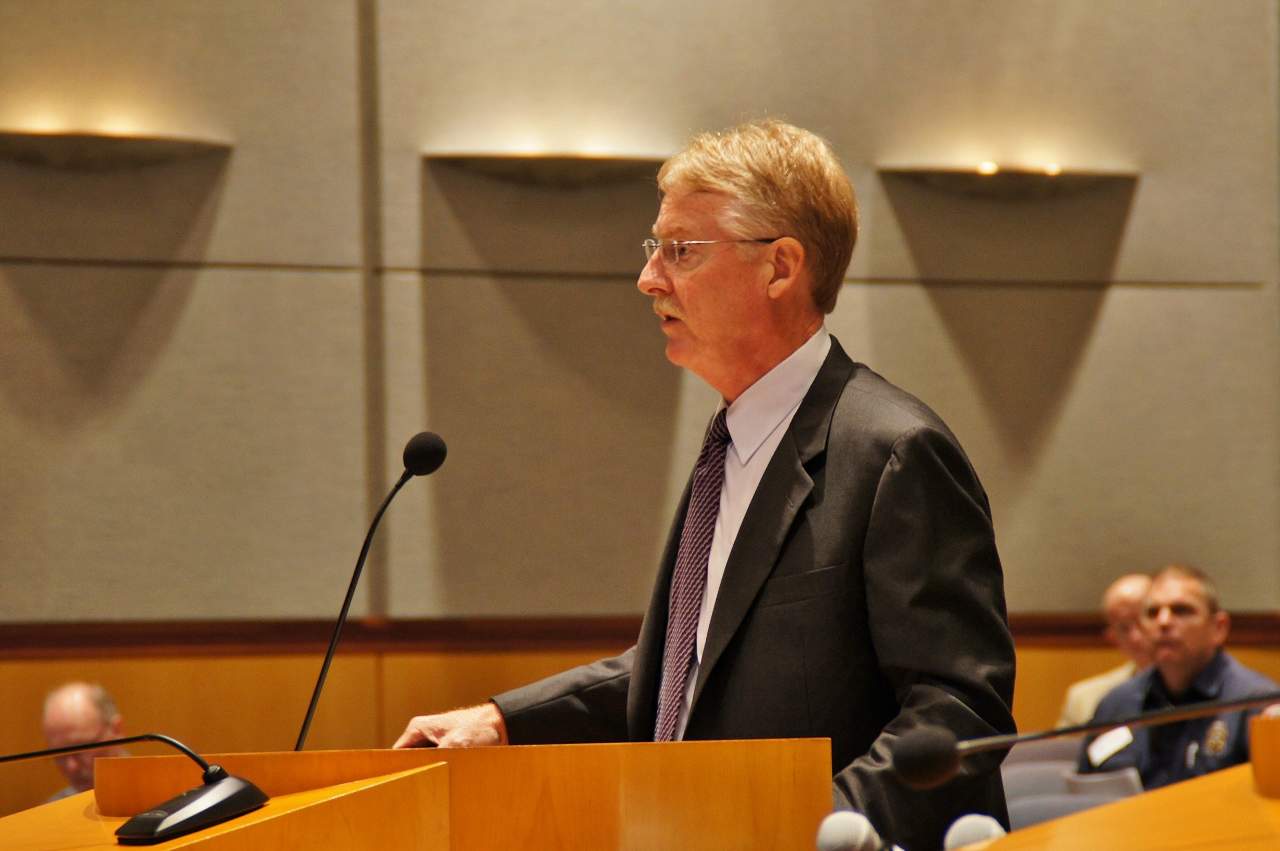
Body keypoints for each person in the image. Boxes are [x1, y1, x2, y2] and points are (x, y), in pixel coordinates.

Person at [395, 119, 1016, 850]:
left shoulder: (894, 451)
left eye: (681, 250)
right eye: (654, 248)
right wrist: (502, 721)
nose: (649, 278)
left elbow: (959, 711)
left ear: (780, 267)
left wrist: (799, 826)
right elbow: (685, 668)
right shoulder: (730, 443)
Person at [1078, 564, 1277, 789]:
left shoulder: (1256, 703)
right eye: (1152, 613)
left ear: (1218, 628)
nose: (1163, 622)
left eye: (1181, 610)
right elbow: (1083, 792)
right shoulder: (1116, 703)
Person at [1056, 573, 1153, 728]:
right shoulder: (1084, 698)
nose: (1136, 637)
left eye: (1143, 620)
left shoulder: (1190, 690)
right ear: (1112, 637)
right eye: (1124, 628)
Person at [41, 681, 126, 801]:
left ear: (117, 730)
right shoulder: (53, 809)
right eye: (59, 754)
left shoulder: (154, 796)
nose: (72, 766)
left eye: (81, 748)